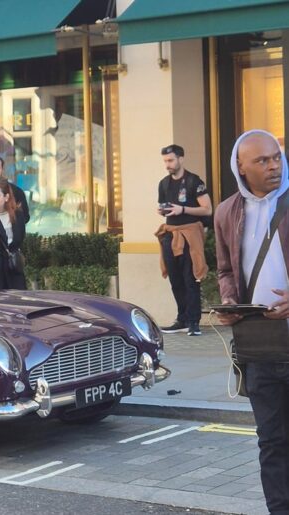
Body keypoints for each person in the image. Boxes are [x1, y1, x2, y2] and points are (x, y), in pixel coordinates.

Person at [214, 130, 289, 514]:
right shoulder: (226, 212)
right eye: (262, 160)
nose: (274, 165)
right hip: (259, 346)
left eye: (276, 157)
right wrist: (230, 302)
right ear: (241, 167)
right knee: (272, 441)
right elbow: (226, 270)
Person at [154, 144, 212, 336]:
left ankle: (194, 322)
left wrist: (183, 209)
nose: (167, 164)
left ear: (181, 159)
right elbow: (164, 206)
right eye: (165, 161)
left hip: (190, 235)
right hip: (170, 235)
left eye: (171, 160)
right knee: (175, 279)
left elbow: (208, 209)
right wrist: (162, 210)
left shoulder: (194, 181)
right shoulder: (164, 184)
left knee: (191, 278)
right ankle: (182, 319)